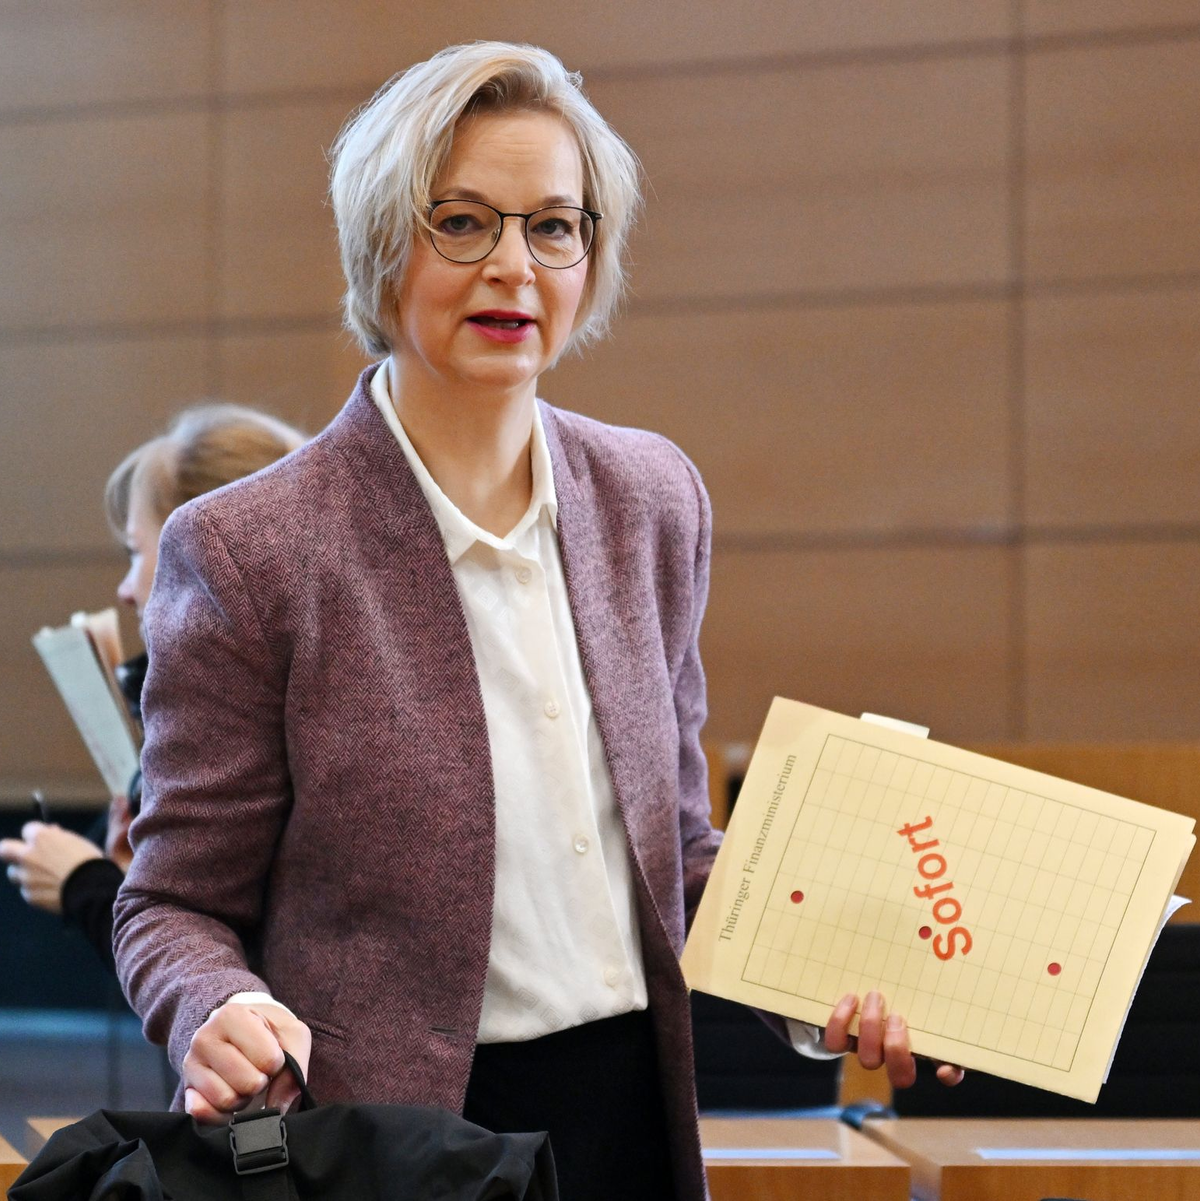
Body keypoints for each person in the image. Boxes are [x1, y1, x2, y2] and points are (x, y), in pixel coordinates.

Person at [112, 43, 959, 1200]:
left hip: (629, 1126)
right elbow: (173, 900)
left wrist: (831, 983)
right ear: (383, 247)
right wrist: (221, 1005)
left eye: (554, 226)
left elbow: (677, 852)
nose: (514, 265)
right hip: (393, 1148)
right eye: (461, 222)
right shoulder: (255, 548)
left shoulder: (653, 498)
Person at [1, 405, 305, 972]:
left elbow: (238, 963)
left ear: (202, 552)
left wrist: (86, 888)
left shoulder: (236, 713)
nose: (124, 589)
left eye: (137, 553)